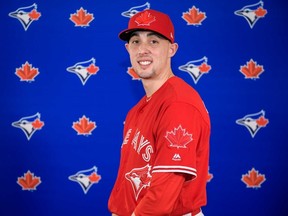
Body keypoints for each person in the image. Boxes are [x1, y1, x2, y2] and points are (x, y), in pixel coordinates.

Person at [108, 9, 210, 216]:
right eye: (136, 42)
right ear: (128, 49)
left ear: (172, 49)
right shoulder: (136, 111)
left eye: (153, 41)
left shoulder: (179, 104)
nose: (142, 50)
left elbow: (162, 199)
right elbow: (127, 183)